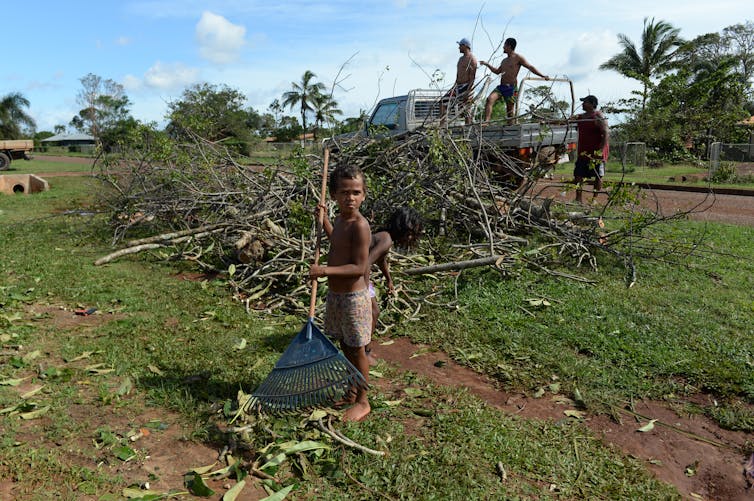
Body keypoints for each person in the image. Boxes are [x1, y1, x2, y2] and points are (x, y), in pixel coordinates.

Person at [310, 164, 372, 422]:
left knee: (357, 349)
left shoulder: (360, 225)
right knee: (345, 346)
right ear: (334, 195)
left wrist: (324, 271)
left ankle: (363, 401)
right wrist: (323, 220)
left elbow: (359, 268)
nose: (351, 198)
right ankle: (351, 389)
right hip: (337, 297)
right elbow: (337, 241)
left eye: (356, 192)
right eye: (345, 193)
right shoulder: (340, 219)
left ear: (364, 195)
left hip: (354, 299)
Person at [363, 207, 423, 363]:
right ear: (401, 228)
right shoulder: (386, 239)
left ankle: (363, 350)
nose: (410, 238)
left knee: (373, 312)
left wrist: (389, 279)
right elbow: (367, 262)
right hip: (358, 276)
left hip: (359, 276)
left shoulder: (385, 238)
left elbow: (380, 260)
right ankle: (364, 352)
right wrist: (363, 289)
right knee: (373, 312)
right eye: (409, 233)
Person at [480, 38, 549, 123]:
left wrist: (542, 76)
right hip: (501, 87)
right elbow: (497, 71)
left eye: (504, 45)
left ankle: (510, 127)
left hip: (512, 88)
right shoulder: (504, 61)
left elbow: (530, 67)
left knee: (510, 112)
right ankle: (486, 122)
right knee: (490, 99)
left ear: (509, 46)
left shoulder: (518, 58)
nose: (503, 47)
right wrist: (487, 64)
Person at [570, 95, 609, 203]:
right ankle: (578, 199)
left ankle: (594, 200)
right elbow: (566, 121)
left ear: (592, 104)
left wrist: (600, 151)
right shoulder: (581, 117)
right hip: (583, 152)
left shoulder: (598, 116)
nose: (582, 104)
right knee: (578, 175)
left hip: (597, 153)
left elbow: (606, 133)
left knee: (598, 176)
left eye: (585, 102)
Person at [440, 38, 478, 126]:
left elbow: (472, 78)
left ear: (465, 46)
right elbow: (458, 76)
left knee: (466, 108)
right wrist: (453, 87)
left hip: (466, 86)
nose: (459, 48)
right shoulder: (461, 59)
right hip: (458, 87)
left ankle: (468, 127)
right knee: (443, 102)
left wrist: (468, 91)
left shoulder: (472, 59)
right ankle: (441, 126)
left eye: (460, 45)